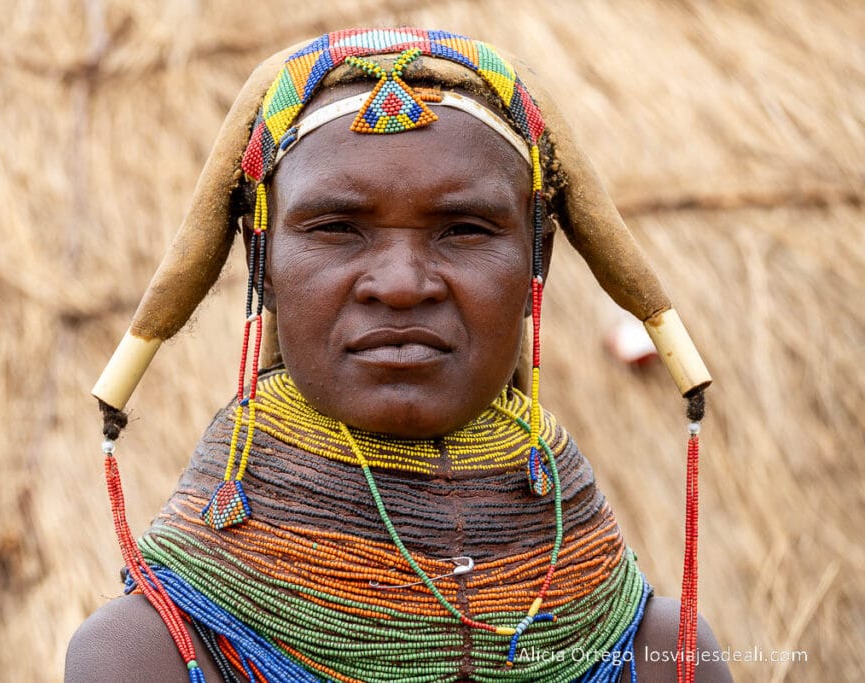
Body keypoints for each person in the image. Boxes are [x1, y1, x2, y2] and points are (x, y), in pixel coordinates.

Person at [66, 29, 732, 682]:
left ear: (538, 260)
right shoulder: (145, 656)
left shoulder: (658, 654)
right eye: (336, 228)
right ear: (262, 259)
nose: (403, 283)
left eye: (464, 229)